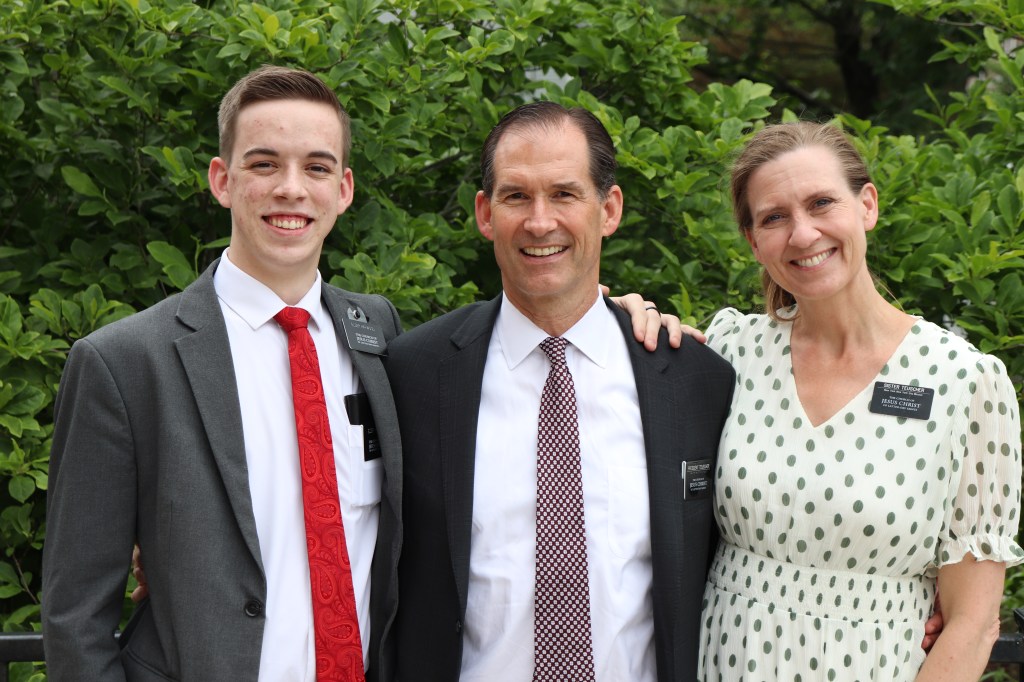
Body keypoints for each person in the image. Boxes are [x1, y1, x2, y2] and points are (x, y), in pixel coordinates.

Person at [42, 66, 672, 682]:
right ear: (222, 180)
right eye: (264, 164)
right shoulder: (125, 363)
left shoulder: (380, 339)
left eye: (316, 167)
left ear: (343, 189)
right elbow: (75, 619)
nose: (292, 189)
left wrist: (607, 317)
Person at [385, 101, 735, 681]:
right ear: (485, 213)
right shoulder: (414, 373)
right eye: (516, 196)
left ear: (609, 209)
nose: (540, 221)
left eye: (565, 194)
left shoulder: (693, 380)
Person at [698, 121, 1023, 680]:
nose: (803, 234)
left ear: (866, 205)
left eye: (821, 203)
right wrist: (627, 313)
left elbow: (972, 625)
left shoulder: (964, 381)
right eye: (774, 218)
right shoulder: (730, 350)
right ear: (753, 241)